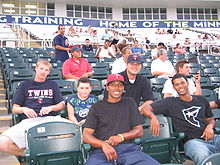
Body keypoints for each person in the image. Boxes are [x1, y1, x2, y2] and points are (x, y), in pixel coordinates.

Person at [140, 74, 220, 165]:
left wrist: (209, 127)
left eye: (182, 83)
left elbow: (210, 119)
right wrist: (153, 117)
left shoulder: (201, 100)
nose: (180, 86)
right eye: (177, 84)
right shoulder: (170, 102)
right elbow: (145, 108)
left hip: (211, 138)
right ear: (174, 87)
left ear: (187, 83)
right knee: (202, 153)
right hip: (192, 142)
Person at [83, 73, 160, 165]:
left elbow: (139, 131)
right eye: (113, 85)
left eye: (120, 85)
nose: (117, 88)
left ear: (123, 88)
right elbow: (86, 135)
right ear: (107, 87)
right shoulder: (96, 107)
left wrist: (121, 137)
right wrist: (103, 144)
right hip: (102, 152)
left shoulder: (129, 103)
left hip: (128, 150)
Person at [0, 59, 70, 156]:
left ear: (49, 72)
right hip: (30, 121)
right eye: (41, 68)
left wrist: (51, 108)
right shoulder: (25, 85)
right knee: (2, 142)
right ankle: (34, 155)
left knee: (73, 133)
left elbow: (61, 105)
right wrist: (24, 109)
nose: (43, 72)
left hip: (50, 120)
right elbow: (15, 108)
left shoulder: (53, 85)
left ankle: (47, 154)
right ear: (35, 69)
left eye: (46, 70)